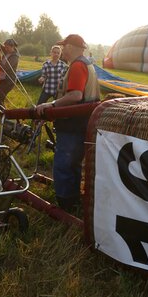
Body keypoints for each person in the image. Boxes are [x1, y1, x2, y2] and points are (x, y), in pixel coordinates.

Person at [35, 34, 100, 214]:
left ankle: (65, 206)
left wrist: (51, 104)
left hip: (73, 124)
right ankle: (74, 200)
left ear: (70, 47)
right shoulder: (87, 64)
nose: (62, 50)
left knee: (65, 163)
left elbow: (75, 96)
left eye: (63, 47)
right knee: (74, 164)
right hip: (84, 122)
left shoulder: (77, 66)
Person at [0, 39, 20, 107]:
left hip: (9, 81)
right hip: (3, 79)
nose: (6, 49)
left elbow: (4, 67)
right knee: (0, 99)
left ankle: (4, 115)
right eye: (5, 47)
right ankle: (4, 116)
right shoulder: (7, 51)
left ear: (12, 46)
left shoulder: (15, 57)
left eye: (7, 47)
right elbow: (0, 46)